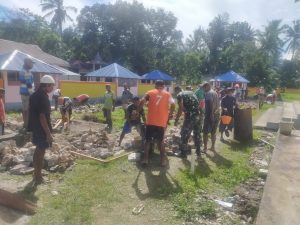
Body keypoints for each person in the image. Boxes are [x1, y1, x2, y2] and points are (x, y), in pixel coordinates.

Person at [140, 80, 175, 166]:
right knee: (161, 141)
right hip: (161, 122)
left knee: (147, 141)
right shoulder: (167, 94)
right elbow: (173, 104)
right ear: (163, 86)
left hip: (151, 121)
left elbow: (142, 101)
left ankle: (145, 159)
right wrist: (170, 114)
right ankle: (162, 161)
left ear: (155, 85)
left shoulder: (150, 92)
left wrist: (138, 110)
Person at [28, 75, 55, 185]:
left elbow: (29, 111)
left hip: (35, 127)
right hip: (42, 129)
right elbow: (42, 117)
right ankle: (38, 177)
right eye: (52, 86)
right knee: (41, 152)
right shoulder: (43, 97)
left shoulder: (34, 95)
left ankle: (36, 173)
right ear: (47, 85)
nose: (52, 88)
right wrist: (48, 134)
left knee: (37, 150)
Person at [174, 86, 203, 158]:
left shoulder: (180, 95)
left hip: (190, 117)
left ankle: (183, 153)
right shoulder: (191, 92)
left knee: (184, 134)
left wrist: (176, 119)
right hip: (198, 115)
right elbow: (195, 104)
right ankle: (198, 152)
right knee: (197, 134)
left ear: (177, 90)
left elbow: (180, 108)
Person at [202, 82, 220, 152]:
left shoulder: (208, 93)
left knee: (205, 132)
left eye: (203, 88)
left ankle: (205, 148)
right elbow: (217, 105)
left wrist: (211, 115)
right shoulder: (215, 92)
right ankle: (212, 147)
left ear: (207, 86)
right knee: (213, 132)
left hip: (210, 115)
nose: (203, 90)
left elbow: (210, 104)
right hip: (216, 114)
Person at [19, 57, 34, 129]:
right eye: (31, 63)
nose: (32, 65)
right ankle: (27, 126)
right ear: (27, 63)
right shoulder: (27, 72)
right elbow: (29, 84)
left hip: (22, 92)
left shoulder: (22, 70)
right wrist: (32, 94)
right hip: (28, 93)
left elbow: (22, 81)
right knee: (28, 109)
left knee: (24, 109)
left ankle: (25, 124)